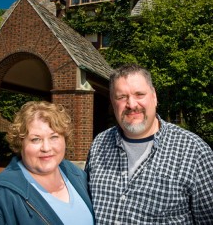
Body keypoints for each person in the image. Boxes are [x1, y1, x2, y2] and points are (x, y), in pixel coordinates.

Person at [85, 63, 213, 224]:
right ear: (112, 102)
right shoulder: (99, 145)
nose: (131, 104)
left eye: (139, 94)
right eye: (121, 97)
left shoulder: (194, 152)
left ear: (154, 97)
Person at [0, 101, 94, 225]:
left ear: (64, 140)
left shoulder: (76, 175)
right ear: (20, 143)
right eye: (35, 139)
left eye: (54, 137)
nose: (46, 148)